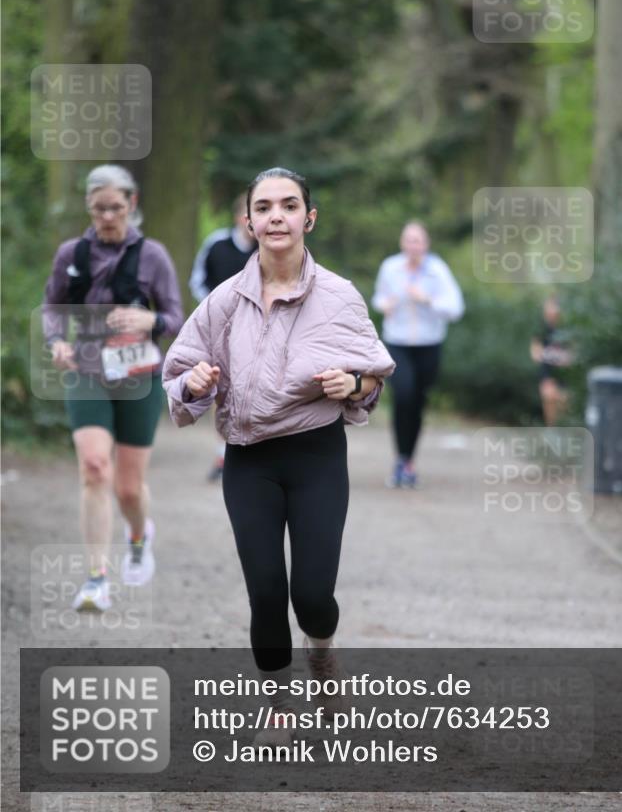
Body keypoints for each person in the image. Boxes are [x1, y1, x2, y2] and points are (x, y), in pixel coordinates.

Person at [163, 167, 394, 746]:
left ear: (308, 219)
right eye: (263, 207)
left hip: (316, 456)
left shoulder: (339, 295)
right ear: (248, 223)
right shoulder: (222, 302)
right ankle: (276, 697)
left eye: (289, 206)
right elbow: (179, 375)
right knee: (266, 588)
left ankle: (321, 657)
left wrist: (356, 385)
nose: (276, 216)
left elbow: (373, 376)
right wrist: (193, 383)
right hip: (249, 460)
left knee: (311, 594)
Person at [43, 165, 183, 612]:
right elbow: (51, 308)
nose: (107, 216)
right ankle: (96, 578)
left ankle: (139, 534)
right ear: (89, 206)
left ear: (132, 204)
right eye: (99, 208)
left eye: (116, 208)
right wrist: (57, 340)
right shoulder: (71, 253)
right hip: (86, 371)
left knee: (127, 488)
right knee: (95, 468)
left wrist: (150, 321)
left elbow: (178, 317)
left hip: (138, 377)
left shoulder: (153, 256)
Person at [372, 221, 464, 488]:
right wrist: (384, 304)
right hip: (397, 341)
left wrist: (427, 299)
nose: (413, 246)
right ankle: (400, 459)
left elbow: (455, 308)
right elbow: (379, 297)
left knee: (417, 402)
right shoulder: (390, 267)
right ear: (402, 243)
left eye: (418, 241)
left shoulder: (437, 271)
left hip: (428, 344)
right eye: (409, 240)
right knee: (403, 395)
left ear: (426, 244)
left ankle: (408, 460)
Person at [189, 194, 257, 481]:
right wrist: (214, 310)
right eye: (246, 212)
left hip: (257, 331)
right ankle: (223, 451)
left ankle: (250, 447)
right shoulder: (216, 245)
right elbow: (197, 280)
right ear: (237, 216)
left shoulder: (268, 248)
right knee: (222, 389)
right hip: (220, 331)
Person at [530, 295, 573, 425]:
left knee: (564, 404)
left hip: (565, 376)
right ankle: (552, 431)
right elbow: (535, 354)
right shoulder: (542, 329)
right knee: (549, 398)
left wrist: (564, 359)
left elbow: (573, 354)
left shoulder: (568, 330)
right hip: (547, 373)